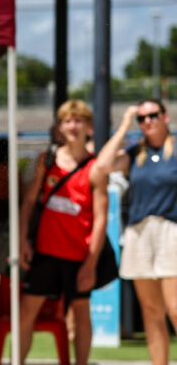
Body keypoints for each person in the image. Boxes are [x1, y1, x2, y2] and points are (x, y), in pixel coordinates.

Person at [18, 99, 109, 365]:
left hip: (78, 254)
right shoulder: (46, 161)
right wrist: (23, 240)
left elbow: (101, 219)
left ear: (89, 126)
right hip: (45, 251)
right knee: (26, 312)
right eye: (67, 120)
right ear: (60, 126)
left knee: (81, 314)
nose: (73, 126)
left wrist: (91, 264)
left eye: (78, 120)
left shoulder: (96, 168)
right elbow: (29, 204)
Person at [97, 99, 177, 365]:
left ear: (165, 117)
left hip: (171, 231)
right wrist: (123, 126)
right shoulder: (134, 154)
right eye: (142, 118)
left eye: (153, 115)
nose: (148, 121)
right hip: (139, 233)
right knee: (151, 312)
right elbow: (103, 165)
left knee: (175, 309)